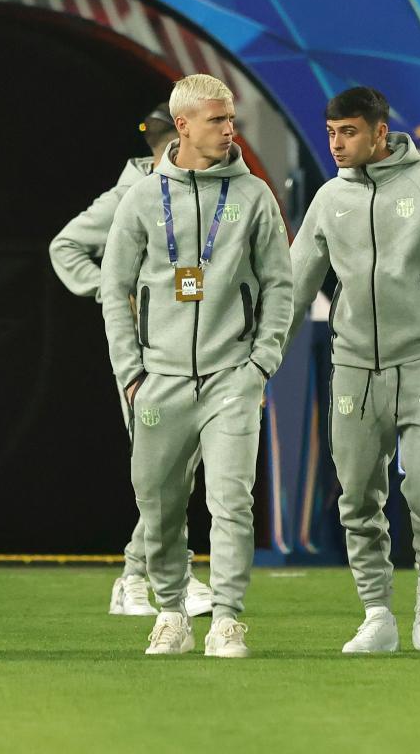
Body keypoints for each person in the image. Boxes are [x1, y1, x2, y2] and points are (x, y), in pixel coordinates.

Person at [99, 74, 293, 657]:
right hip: (159, 381)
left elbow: (280, 286)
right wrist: (132, 373)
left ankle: (227, 619)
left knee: (232, 502)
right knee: (158, 507)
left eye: (231, 119)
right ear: (182, 126)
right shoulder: (141, 197)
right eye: (217, 120)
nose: (229, 129)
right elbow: (115, 289)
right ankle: (171, 613)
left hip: (232, 376)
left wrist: (260, 365)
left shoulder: (253, 195)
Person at [288, 87, 420, 653]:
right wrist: (260, 358)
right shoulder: (329, 198)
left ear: (379, 132)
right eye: (331, 133)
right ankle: (377, 613)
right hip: (353, 366)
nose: (336, 144)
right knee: (356, 498)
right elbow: (294, 285)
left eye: (348, 132)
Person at [49, 104, 214, 618]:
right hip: (146, 352)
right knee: (163, 470)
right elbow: (66, 245)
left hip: (196, 343)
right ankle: (155, 576)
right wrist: (112, 288)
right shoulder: (132, 193)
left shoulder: (203, 189)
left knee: (181, 470)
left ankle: (140, 577)